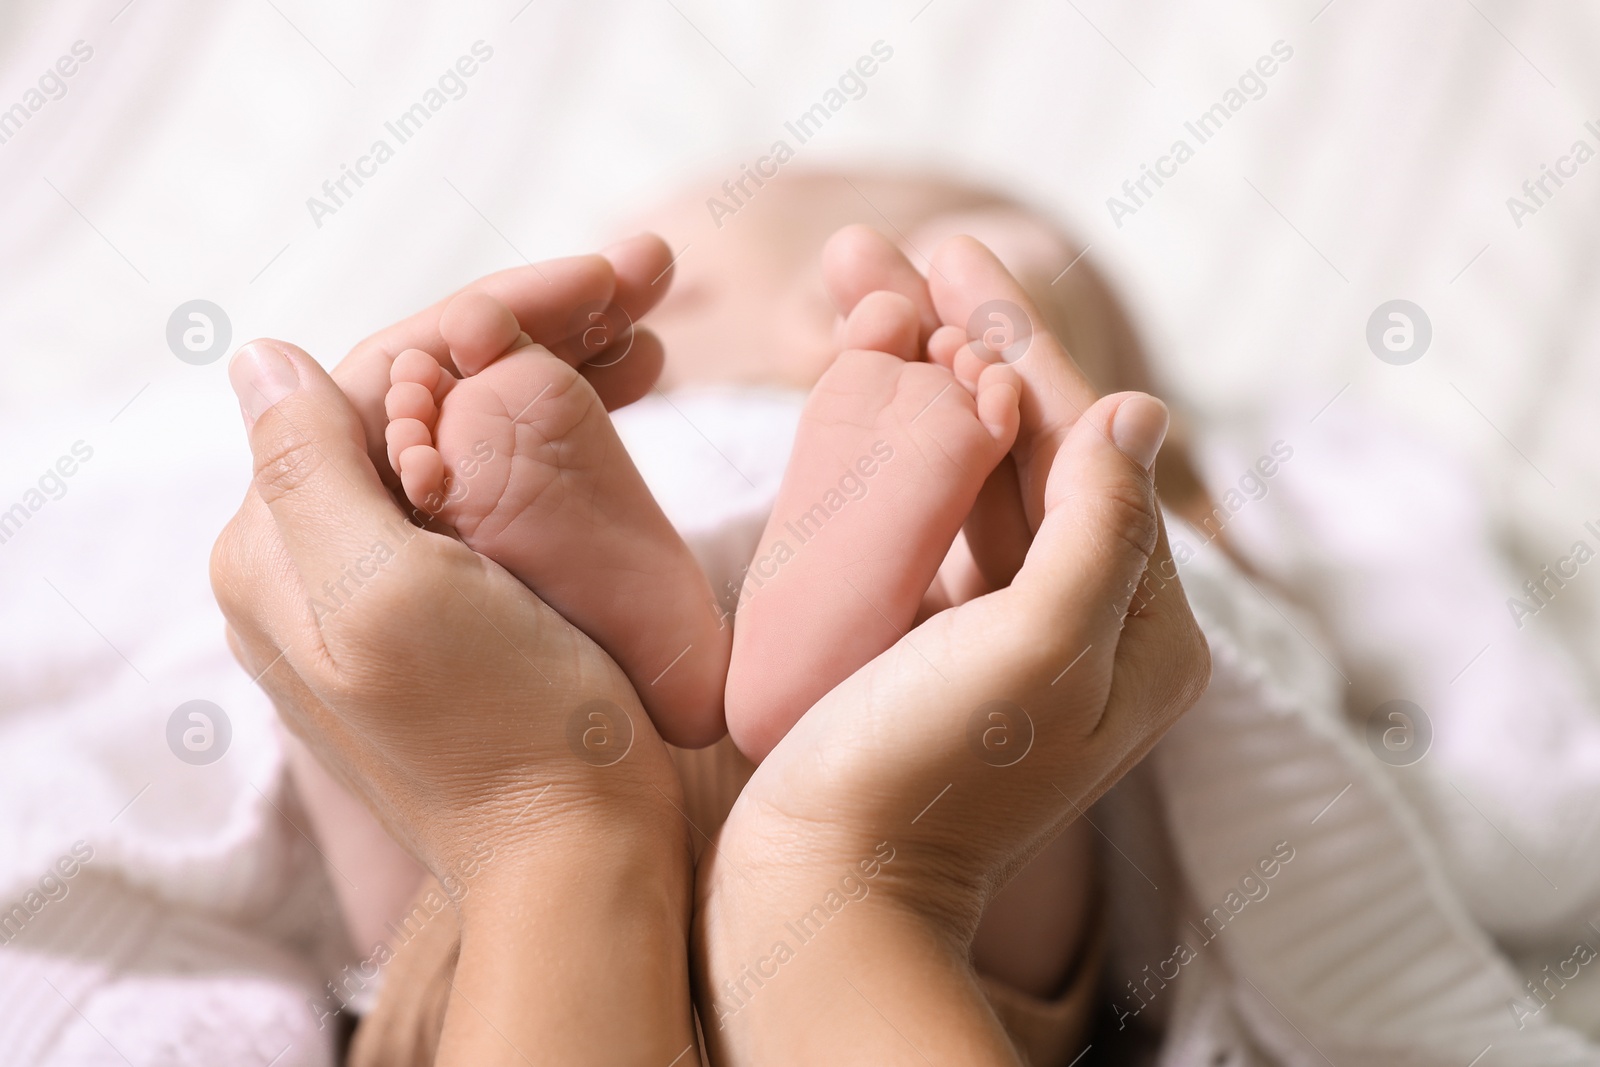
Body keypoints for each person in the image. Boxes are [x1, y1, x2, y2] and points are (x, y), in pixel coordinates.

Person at [211, 176, 1210, 1064]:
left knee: (361, 668)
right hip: (928, 929)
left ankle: (559, 632)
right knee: (1011, 669)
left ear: (824, 314)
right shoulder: (921, 412)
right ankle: (852, 657)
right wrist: (1034, 302)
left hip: (503, 922)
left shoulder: (689, 436)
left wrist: (379, 501)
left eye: (688, 291)